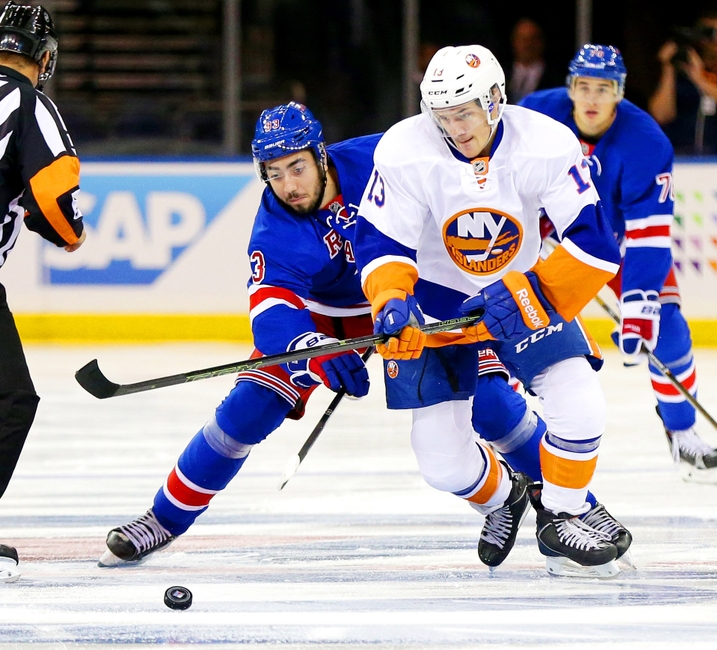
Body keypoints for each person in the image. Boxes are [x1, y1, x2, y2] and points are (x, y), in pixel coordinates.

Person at [97, 102, 547, 571]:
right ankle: (164, 519)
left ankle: (576, 507)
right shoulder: (275, 227)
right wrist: (311, 352)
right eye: (274, 173)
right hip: (326, 319)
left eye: (296, 167)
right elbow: (272, 311)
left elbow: (465, 169)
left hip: (418, 296)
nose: (288, 185)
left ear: (320, 155)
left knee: (492, 403)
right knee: (247, 411)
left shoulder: (384, 157)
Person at [355, 44, 631, 578]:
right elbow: (380, 243)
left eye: (464, 113)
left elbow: (595, 243)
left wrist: (533, 291)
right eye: (443, 116)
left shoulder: (546, 143)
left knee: (580, 400)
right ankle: (504, 496)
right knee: (440, 462)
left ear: (496, 100)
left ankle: (565, 515)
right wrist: (391, 301)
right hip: (438, 307)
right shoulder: (405, 149)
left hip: (523, 296)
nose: (454, 129)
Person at [520, 44, 717, 483]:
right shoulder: (534, 116)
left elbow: (649, 232)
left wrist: (641, 300)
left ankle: (681, 430)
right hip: (542, 241)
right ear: (570, 88)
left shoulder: (646, 141)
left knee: (667, 326)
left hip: (612, 246)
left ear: (620, 93)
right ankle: (513, 439)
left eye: (604, 89)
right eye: (584, 87)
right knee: (517, 329)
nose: (592, 99)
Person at [0, 1, 86, 583]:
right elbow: (55, 202)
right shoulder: (28, 104)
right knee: (10, 403)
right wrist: (65, 230)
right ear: (45, 58)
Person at [648, 13, 717, 155]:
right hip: (684, 156)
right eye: (712, 34)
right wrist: (668, 68)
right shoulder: (681, 74)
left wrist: (700, 80)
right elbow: (661, 115)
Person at [508, 18, 564, 105]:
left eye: (532, 38)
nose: (527, 44)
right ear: (514, 41)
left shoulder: (556, 80)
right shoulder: (500, 73)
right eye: (522, 39)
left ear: (541, 42)